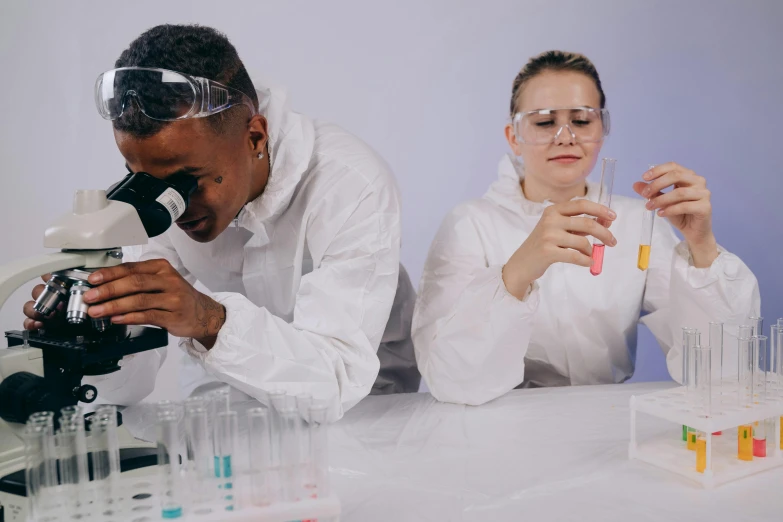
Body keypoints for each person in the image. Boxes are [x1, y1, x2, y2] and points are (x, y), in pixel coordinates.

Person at [22, 24, 420, 418]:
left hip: (367, 413)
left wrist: (209, 319)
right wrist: (98, 331)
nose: (168, 205)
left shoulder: (349, 185)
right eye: (139, 177)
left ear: (255, 138)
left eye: (186, 180)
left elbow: (337, 379)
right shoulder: (156, 198)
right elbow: (130, 386)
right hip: (229, 409)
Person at [411, 50, 760, 406]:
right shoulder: (472, 224)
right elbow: (450, 380)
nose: (565, 137)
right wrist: (514, 274)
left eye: (581, 121)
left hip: (607, 429)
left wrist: (703, 249)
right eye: (545, 122)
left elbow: (716, 371)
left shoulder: (639, 222)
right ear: (514, 135)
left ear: (602, 130)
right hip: (499, 430)